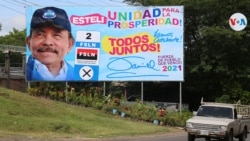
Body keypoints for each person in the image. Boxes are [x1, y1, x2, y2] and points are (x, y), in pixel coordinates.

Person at [26, 6, 75, 81]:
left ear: (70, 45)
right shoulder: (24, 73)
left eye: (57, 35)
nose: (48, 42)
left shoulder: (79, 75)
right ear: (29, 43)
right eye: (40, 35)